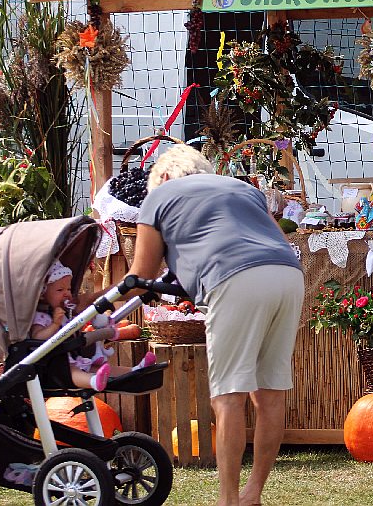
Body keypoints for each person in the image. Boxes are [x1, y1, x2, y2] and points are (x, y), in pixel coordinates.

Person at [128, 144, 303, 506]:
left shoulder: (160, 195)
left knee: (228, 397)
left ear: (162, 175)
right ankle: (252, 494)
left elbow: (141, 275)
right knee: (270, 392)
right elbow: (271, 238)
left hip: (235, 279)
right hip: (287, 274)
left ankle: (227, 500)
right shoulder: (241, 188)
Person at [30, 260, 156, 391]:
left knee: (96, 368)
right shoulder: (41, 316)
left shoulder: (63, 313)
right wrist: (55, 324)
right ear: (43, 295)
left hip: (72, 357)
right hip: (54, 366)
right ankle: (93, 381)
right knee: (73, 370)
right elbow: (37, 337)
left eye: (68, 289)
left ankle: (134, 371)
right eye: (60, 290)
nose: (66, 293)